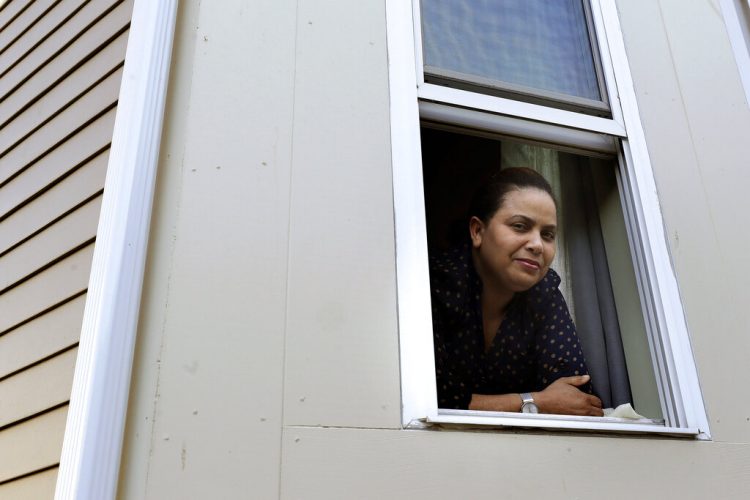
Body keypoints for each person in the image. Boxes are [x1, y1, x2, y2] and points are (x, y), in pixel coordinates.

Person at [430, 167, 603, 416]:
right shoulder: (433, 283)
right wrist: (536, 402)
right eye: (520, 226)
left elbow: (577, 401)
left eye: (547, 234)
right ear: (478, 231)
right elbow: (426, 402)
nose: (537, 245)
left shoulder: (544, 293)